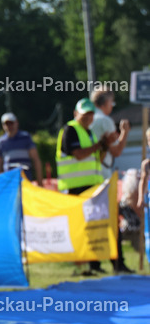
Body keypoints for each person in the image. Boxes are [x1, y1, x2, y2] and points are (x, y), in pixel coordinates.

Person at [56, 98, 113, 276]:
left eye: (90, 114)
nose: (88, 117)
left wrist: (104, 145)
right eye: (84, 114)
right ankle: (81, 264)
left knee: (93, 226)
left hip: (90, 186)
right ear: (76, 114)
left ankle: (94, 264)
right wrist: (98, 145)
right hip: (74, 187)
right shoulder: (70, 130)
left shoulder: (90, 133)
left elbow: (97, 159)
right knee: (79, 226)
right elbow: (79, 155)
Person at [90, 87, 132, 273]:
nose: (112, 107)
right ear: (105, 103)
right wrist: (124, 132)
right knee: (112, 219)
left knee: (94, 221)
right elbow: (116, 151)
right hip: (104, 175)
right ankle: (118, 262)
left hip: (90, 175)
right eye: (111, 103)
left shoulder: (88, 120)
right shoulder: (104, 121)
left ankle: (94, 263)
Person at [0, 112, 43, 185]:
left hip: (25, 180)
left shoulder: (26, 138)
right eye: (7, 124)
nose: (9, 126)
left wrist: (40, 182)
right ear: (3, 125)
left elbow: (36, 159)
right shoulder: (1, 142)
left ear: (16, 123)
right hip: (9, 182)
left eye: (11, 123)